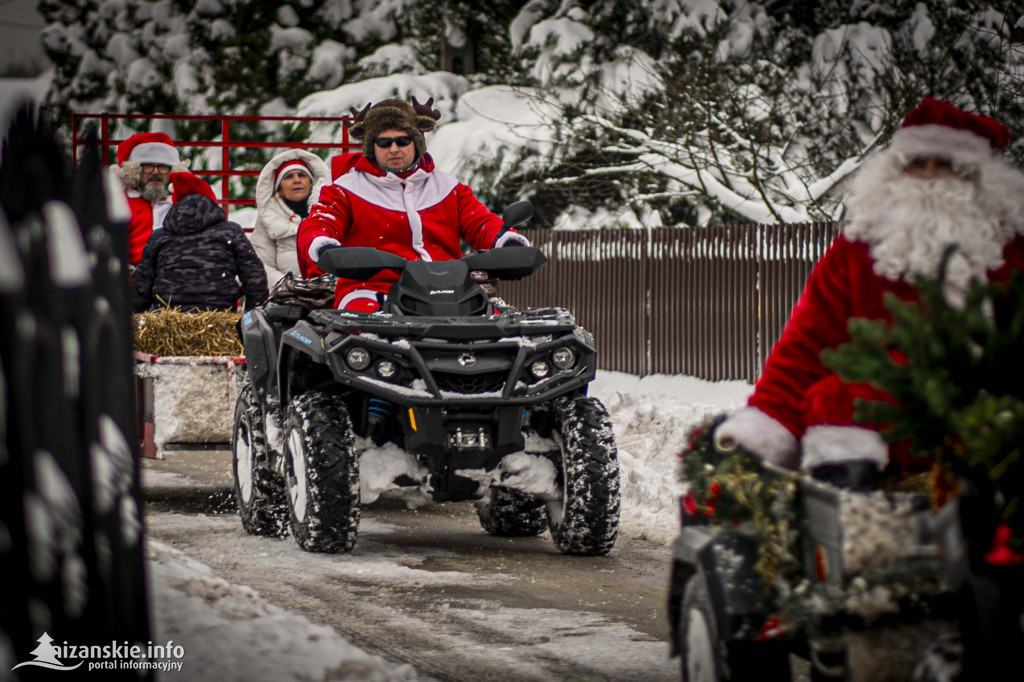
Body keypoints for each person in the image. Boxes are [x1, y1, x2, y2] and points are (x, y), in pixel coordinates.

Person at [712, 98, 1024, 487]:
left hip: (988, 438)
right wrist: (764, 424)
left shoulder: (1009, 252)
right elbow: (808, 345)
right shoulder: (857, 252)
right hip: (870, 446)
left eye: (944, 164)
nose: (928, 175)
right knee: (836, 399)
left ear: (975, 175)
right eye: (917, 161)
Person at [296, 96, 530, 312]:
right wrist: (325, 246)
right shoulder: (345, 190)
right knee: (367, 330)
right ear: (371, 147)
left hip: (449, 290)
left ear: (416, 142)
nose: (394, 149)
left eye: (402, 140)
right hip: (372, 289)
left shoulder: (448, 188)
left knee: (497, 328)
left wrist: (507, 241)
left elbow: (480, 222)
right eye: (384, 142)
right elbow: (319, 223)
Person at [132, 172, 269, 313]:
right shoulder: (230, 232)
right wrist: (252, 314)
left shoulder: (159, 237)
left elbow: (141, 288)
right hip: (220, 314)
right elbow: (255, 276)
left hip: (167, 318)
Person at [249, 149, 330, 286]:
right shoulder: (268, 218)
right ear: (278, 187)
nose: (296, 180)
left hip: (327, 289)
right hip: (285, 295)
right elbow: (261, 264)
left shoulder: (328, 212)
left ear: (311, 182)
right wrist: (288, 286)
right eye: (288, 177)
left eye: (302, 175)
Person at [109, 132, 191, 267]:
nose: (155, 172)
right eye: (148, 166)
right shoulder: (121, 202)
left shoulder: (184, 201)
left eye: (163, 166)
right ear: (136, 170)